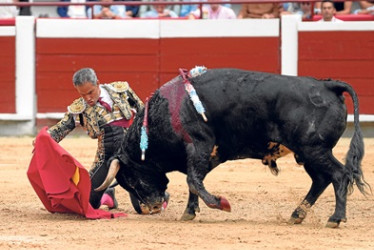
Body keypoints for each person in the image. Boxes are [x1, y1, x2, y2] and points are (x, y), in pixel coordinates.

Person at [44, 68, 144, 210]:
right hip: (106, 155)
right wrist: (45, 138)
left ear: (97, 83)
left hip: (132, 153)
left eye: (90, 92)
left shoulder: (121, 91)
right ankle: (108, 195)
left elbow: (143, 113)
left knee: (145, 206)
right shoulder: (80, 108)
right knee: (87, 203)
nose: (87, 98)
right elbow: (62, 127)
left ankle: (161, 195)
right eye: (82, 94)